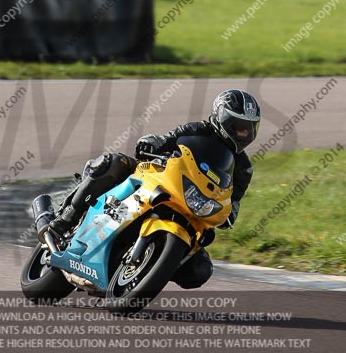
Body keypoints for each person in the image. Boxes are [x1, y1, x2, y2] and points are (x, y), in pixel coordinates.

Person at [49, 89, 261, 289]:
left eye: (249, 128)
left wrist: (229, 214)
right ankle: (67, 217)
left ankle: (149, 268)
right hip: (161, 179)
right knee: (112, 163)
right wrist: (154, 142)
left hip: (192, 205)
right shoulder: (199, 130)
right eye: (238, 126)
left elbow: (233, 200)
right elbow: (169, 138)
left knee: (200, 270)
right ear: (221, 118)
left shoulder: (243, 168)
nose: (243, 134)